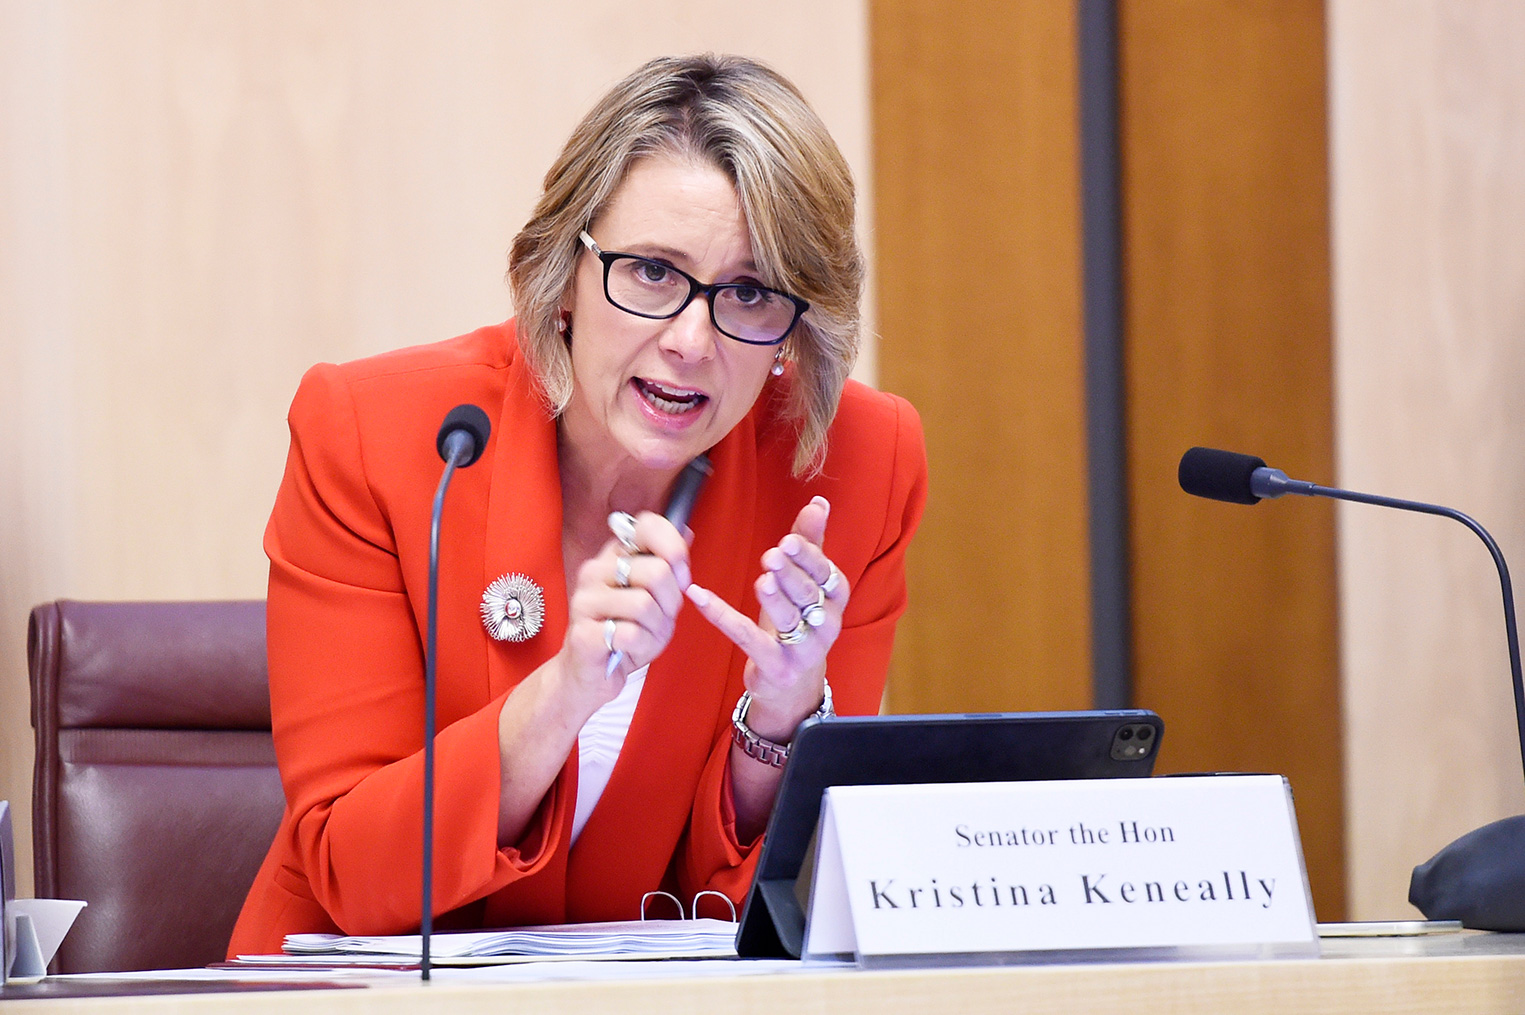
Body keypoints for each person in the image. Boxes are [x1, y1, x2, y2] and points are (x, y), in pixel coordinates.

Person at [228, 53, 927, 955]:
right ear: (563, 273)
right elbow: (355, 874)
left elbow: (796, 908)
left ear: (796, 326)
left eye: (748, 293)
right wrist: (563, 694)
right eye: (649, 272)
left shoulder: (853, 467)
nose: (689, 340)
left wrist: (781, 723)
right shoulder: (378, 435)